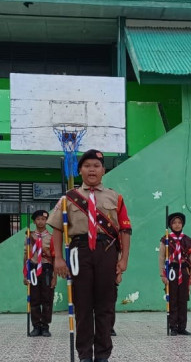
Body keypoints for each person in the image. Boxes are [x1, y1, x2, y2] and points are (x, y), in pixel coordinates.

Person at [47, 149, 132, 362]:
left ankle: (102, 354)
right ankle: (85, 354)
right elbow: (57, 228)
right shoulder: (69, 198)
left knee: (105, 306)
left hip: (107, 250)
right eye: (87, 166)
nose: (92, 170)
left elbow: (124, 230)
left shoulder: (116, 198)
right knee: (82, 306)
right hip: (78, 251)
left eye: (96, 166)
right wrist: (58, 258)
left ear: (103, 170)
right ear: (80, 171)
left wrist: (123, 259)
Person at [159, 212, 191, 336]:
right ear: (170, 225)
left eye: (179, 222)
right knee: (172, 299)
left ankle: (182, 327)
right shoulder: (166, 240)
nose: (177, 225)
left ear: (183, 224)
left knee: (183, 300)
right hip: (172, 271)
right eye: (174, 223)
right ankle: (173, 326)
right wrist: (162, 275)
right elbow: (161, 257)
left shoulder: (187, 240)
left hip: (184, 272)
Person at [23, 209, 56, 337]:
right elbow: (25, 256)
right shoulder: (29, 236)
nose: (40, 222)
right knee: (34, 299)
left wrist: (55, 277)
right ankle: (36, 326)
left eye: (43, 219)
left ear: (46, 221)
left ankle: (45, 326)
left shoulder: (51, 238)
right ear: (34, 221)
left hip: (47, 269)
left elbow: (54, 257)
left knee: (47, 299)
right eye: (38, 219)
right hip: (33, 268)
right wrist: (25, 274)